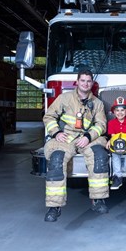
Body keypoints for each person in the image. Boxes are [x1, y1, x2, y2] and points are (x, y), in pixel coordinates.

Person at [42, 69, 109, 222]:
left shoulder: (97, 103)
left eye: (88, 81)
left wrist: (88, 136)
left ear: (92, 84)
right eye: (83, 80)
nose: (85, 83)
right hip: (67, 138)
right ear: (77, 82)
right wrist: (56, 132)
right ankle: (54, 207)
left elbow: (101, 125)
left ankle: (98, 200)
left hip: (87, 139)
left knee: (99, 155)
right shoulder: (64, 98)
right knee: (57, 159)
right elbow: (49, 116)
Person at [106, 96, 126, 192]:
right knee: (115, 155)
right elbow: (113, 137)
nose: (120, 113)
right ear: (114, 112)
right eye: (117, 110)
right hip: (117, 146)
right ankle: (118, 177)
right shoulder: (111, 123)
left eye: (122, 110)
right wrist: (109, 141)